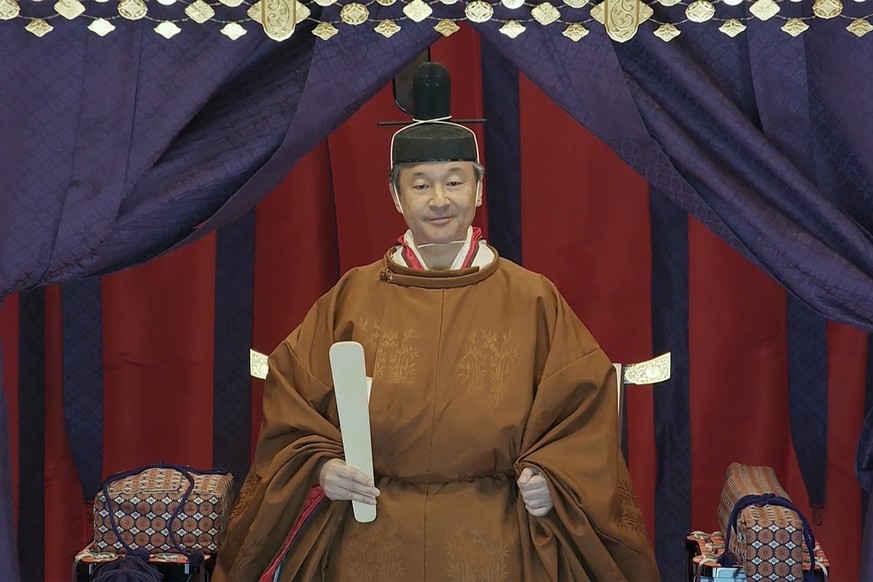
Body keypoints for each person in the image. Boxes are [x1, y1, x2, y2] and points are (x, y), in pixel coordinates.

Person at [214, 62, 659, 581]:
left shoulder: (533, 299)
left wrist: (552, 476)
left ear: (479, 189)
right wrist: (319, 467)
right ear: (396, 196)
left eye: (454, 181)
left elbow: (582, 412)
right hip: (370, 530)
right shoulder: (351, 298)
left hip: (497, 535)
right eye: (421, 185)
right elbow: (293, 404)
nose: (439, 200)